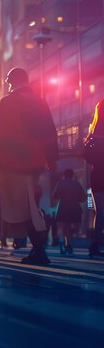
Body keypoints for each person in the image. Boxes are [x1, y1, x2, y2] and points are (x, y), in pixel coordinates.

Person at [0, 68, 58, 265]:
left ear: (12, 82)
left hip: (14, 164)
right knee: (31, 205)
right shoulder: (40, 101)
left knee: (25, 207)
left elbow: (0, 134)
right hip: (36, 162)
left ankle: (39, 250)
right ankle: (38, 248)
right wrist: (52, 159)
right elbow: (50, 130)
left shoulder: (7, 102)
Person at [85, 100, 104, 257]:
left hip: (97, 176)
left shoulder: (93, 136)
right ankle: (95, 243)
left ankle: (95, 243)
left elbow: (88, 158)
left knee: (100, 212)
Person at [52, 169, 86, 255]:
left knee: (61, 226)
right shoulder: (77, 184)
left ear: (64, 175)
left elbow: (55, 195)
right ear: (72, 175)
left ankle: (62, 243)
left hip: (63, 207)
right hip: (74, 208)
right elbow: (83, 198)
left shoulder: (61, 183)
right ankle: (69, 245)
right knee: (70, 228)